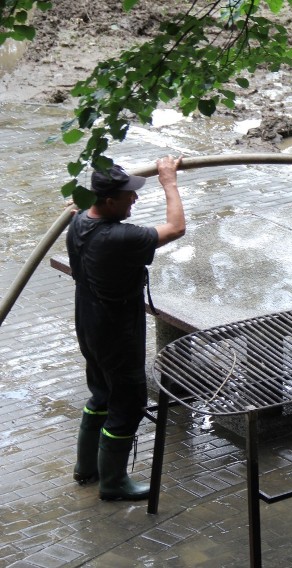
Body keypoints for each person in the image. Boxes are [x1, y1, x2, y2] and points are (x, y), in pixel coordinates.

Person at [68, 156, 185, 501]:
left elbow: (80, 210)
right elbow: (176, 228)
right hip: (116, 332)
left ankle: (87, 469)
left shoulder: (78, 222)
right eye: (128, 195)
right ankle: (114, 484)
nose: (134, 199)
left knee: (102, 394)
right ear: (106, 202)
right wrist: (169, 182)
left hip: (88, 324)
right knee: (128, 402)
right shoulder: (117, 237)